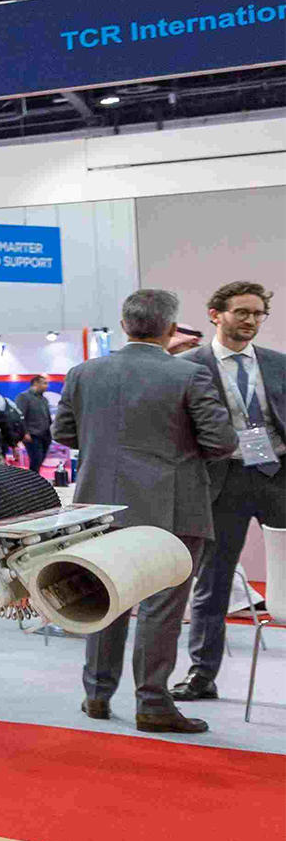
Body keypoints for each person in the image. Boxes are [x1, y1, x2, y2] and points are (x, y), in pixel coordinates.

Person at [54, 288, 235, 733]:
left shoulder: (83, 373)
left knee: (105, 599)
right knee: (161, 608)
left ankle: (97, 695)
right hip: (173, 509)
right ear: (171, 329)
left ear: (124, 325)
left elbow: (64, 433)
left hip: (99, 508)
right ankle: (152, 702)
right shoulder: (189, 375)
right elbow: (221, 442)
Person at [175, 281, 284, 701]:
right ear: (215, 314)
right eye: (242, 312)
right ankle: (201, 676)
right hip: (223, 480)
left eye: (258, 313)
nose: (251, 320)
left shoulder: (277, 363)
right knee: (214, 582)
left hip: (278, 475)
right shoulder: (187, 366)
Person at [15, 377, 54, 475]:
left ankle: (33, 478)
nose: (47, 386)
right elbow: (19, 416)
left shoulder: (44, 399)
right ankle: (32, 480)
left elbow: (48, 417)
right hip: (32, 435)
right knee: (36, 459)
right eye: (44, 383)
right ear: (36, 383)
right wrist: (24, 433)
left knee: (40, 460)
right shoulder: (23, 397)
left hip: (45, 435)